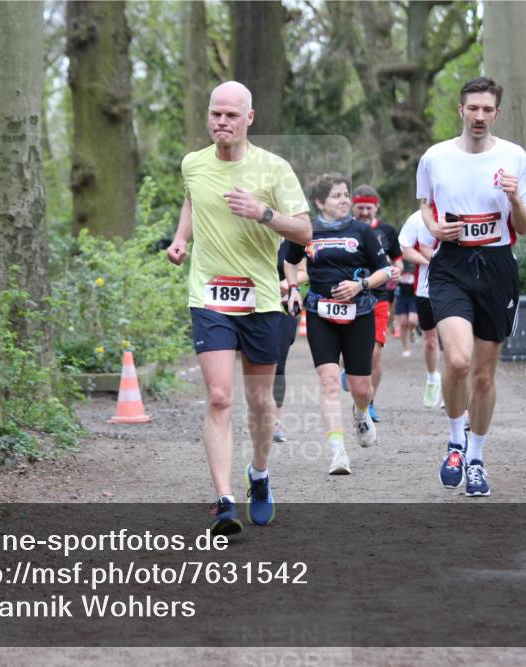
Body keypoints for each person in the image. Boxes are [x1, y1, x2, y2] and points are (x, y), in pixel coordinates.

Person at [167, 81, 311, 534]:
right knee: (218, 396)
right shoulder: (193, 164)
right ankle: (224, 500)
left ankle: (260, 475)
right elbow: (192, 198)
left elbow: (305, 232)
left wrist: (263, 213)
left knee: (260, 402)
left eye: (231, 115)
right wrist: (181, 238)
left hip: (262, 300)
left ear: (249, 118)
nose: (221, 122)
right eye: (215, 114)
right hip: (209, 296)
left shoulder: (274, 169)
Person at [415, 76, 526, 497]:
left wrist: (517, 200)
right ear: (461, 110)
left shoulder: (515, 158)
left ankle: (477, 457)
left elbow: (525, 225)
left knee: (483, 377)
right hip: (451, 264)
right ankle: (454, 439)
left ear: (496, 113)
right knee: (460, 361)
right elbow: (425, 210)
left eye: (488, 109)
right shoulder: (435, 157)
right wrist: (436, 229)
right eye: (473, 108)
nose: (480, 116)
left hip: (498, 265)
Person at [283, 173, 390, 475]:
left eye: (346, 195)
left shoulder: (363, 232)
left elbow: (386, 271)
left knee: (361, 387)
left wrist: (361, 285)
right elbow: (290, 261)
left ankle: (360, 412)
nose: (344, 200)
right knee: (329, 381)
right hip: (320, 314)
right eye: (336, 196)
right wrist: (293, 289)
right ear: (319, 202)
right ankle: (338, 452)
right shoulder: (307, 232)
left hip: (359, 314)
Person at [349, 185, 403, 423]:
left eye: (368, 208)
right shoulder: (345, 229)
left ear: (376, 207)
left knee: (374, 354)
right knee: (347, 353)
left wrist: (397, 271)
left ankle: (369, 402)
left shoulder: (387, 231)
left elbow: (399, 260)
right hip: (349, 297)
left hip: (379, 297)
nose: (363, 212)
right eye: (359, 207)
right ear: (353, 205)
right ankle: (350, 375)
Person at [398, 209, 442, 408]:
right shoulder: (417, 218)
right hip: (426, 289)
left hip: (458, 289)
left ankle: (455, 391)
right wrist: (432, 262)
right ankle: (433, 379)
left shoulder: (462, 209)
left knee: (453, 344)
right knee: (431, 342)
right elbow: (405, 250)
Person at [272, 243, 307, 443]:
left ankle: (276, 420)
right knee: (258, 361)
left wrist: (288, 282)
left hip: (284, 305)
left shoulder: (290, 240)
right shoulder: (251, 234)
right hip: (253, 306)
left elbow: (303, 271)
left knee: (278, 363)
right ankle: (260, 413)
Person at [393, 262, 419, 357]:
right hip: (402, 295)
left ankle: (412, 331)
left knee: (412, 321)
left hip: (413, 295)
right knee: (403, 323)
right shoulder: (397, 259)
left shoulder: (414, 260)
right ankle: (406, 348)